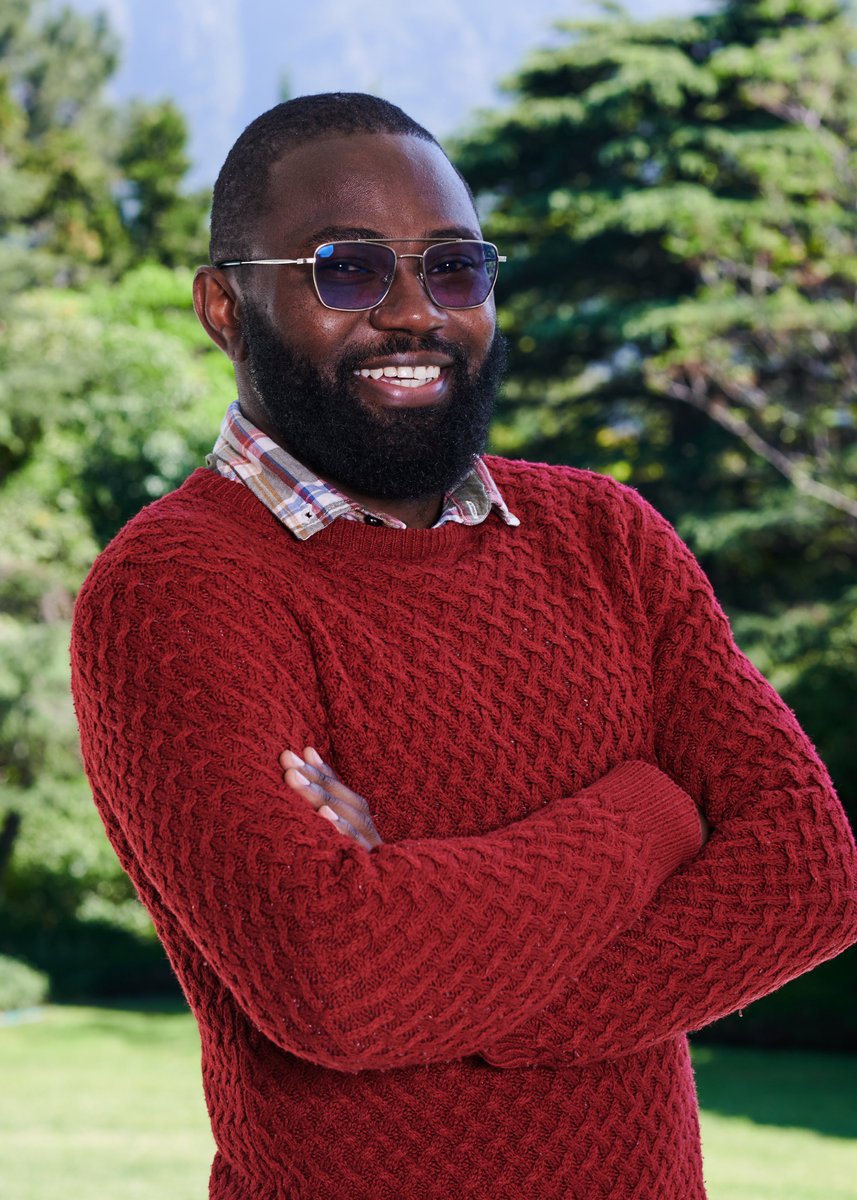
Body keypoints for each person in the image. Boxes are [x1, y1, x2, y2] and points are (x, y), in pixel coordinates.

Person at [70, 92, 857, 1200]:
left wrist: (458, 972)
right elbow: (338, 984)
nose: (412, 312)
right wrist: (653, 814)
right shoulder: (176, 587)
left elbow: (811, 872)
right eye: (345, 269)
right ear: (224, 306)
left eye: (453, 268)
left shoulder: (608, 540)